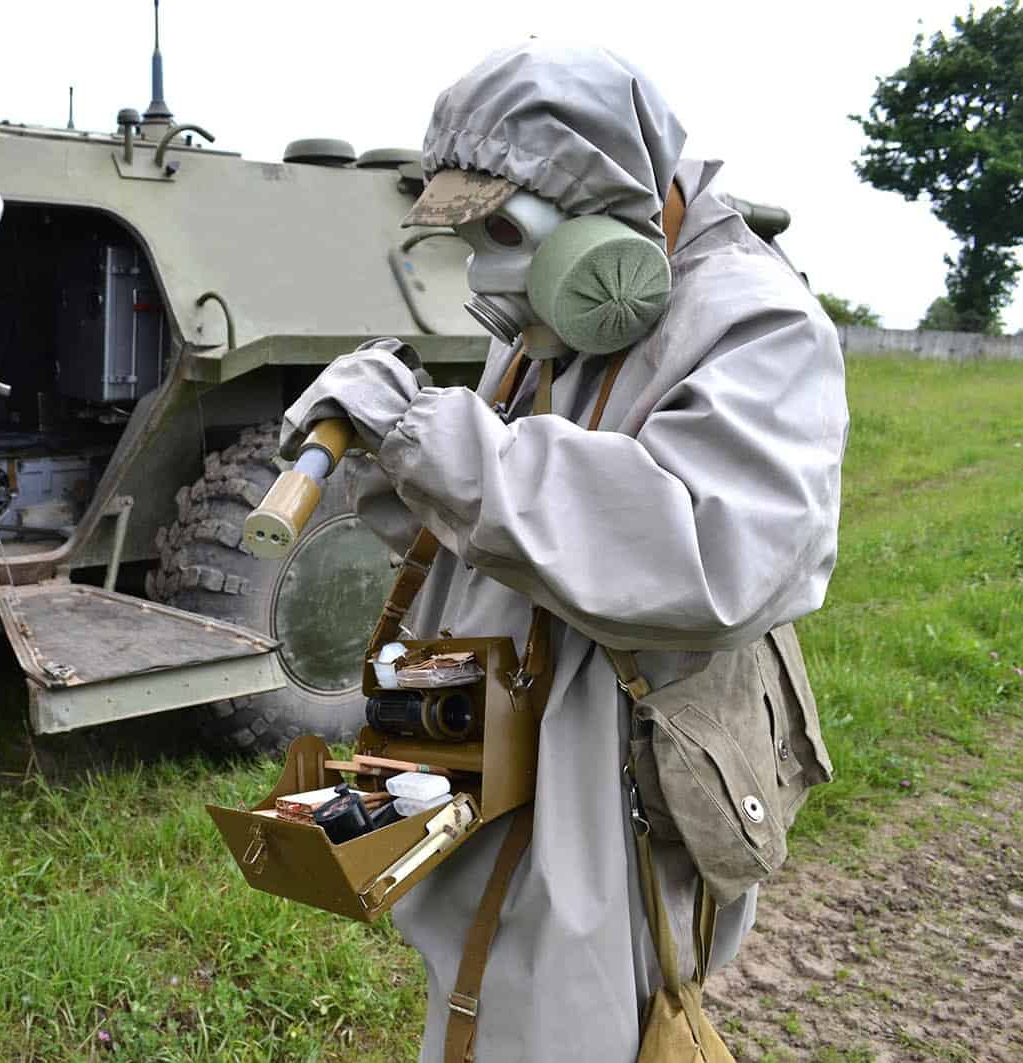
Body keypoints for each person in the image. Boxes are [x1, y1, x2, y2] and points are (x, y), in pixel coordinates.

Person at [279, 43, 849, 1060]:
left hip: (616, 764)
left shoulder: (757, 324)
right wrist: (388, 460)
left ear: (610, 202)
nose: (490, 269)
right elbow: (495, 518)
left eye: (504, 227)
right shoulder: (557, 318)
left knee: (575, 1017)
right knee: (483, 992)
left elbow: (710, 560)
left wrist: (436, 441)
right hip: (506, 740)